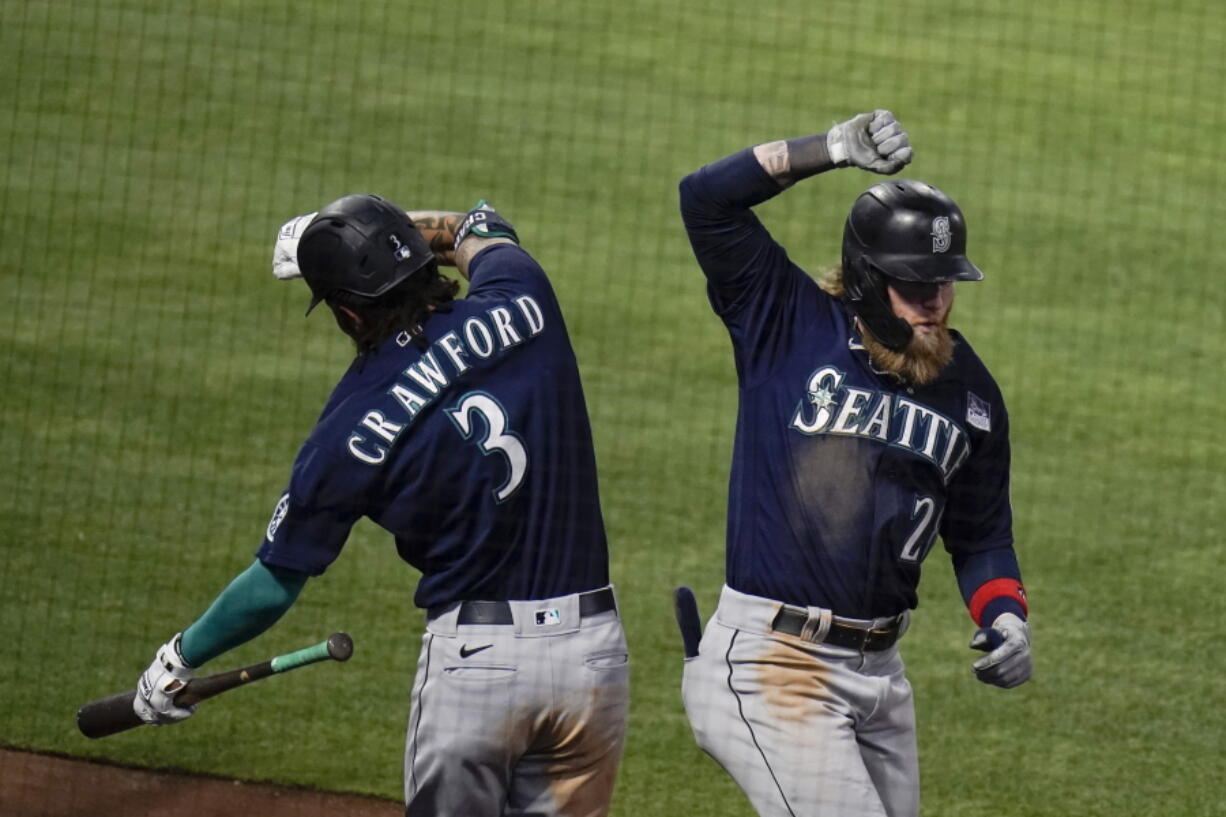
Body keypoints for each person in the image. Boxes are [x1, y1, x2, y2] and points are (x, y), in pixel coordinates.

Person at [133, 195, 629, 817]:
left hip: (479, 671)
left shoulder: (345, 430)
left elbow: (273, 582)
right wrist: (399, 236)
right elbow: (477, 223)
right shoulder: (521, 294)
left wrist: (180, 658)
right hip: (594, 659)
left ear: (346, 315)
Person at [675, 109, 1032, 817]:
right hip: (773, 663)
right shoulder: (785, 322)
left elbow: (983, 534)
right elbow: (704, 197)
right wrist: (830, 148)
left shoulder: (972, 393)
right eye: (914, 285)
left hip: (880, 679)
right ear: (868, 279)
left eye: (944, 282)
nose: (934, 302)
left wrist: (1008, 614)